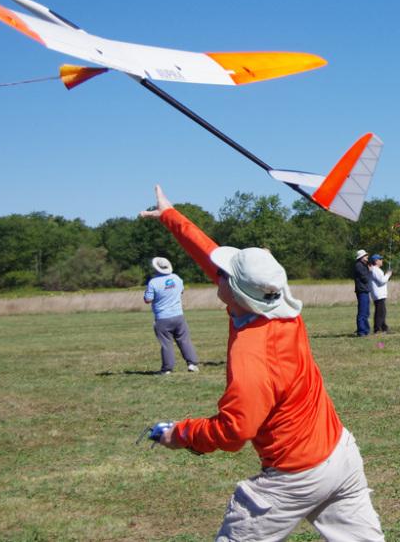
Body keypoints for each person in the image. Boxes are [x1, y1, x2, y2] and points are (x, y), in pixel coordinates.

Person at [140, 185, 384, 541]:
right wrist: (170, 216)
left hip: (294, 476)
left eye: (223, 274)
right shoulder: (279, 305)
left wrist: (180, 434)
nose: (215, 274)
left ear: (236, 293)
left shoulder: (253, 355)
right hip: (340, 455)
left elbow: (235, 430)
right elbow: (214, 258)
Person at [144, 256, 199, 375]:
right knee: (184, 340)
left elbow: (148, 300)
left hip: (162, 318)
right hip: (178, 316)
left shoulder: (153, 282)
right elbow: (182, 291)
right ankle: (192, 364)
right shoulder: (177, 278)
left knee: (166, 343)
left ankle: (167, 369)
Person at [368, 255, 394, 335]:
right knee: (380, 312)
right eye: (380, 259)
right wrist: (388, 275)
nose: (382, 261)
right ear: (376, 261)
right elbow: (382, 280)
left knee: (382, 311)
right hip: (378, 294)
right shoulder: (376, 270)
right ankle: (377, 328)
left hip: (379, 294)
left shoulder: (376, 270)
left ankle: (384, 328)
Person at [353, 249, 372, 337]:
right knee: (362, 312)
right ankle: (361, 331)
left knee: (366, 312)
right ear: (361, 257)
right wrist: (370, 271)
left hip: (364, 291)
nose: (367, 256)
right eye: (365, 255)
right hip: (362, 291)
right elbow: (365, 278)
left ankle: (366, 330)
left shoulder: (363, 266)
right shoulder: (359, 266)